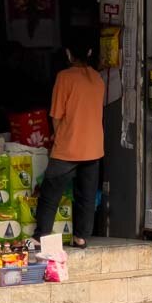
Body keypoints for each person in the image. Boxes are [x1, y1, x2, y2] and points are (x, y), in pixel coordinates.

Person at [33, 34, 105, 249]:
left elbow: (56, 115)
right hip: (93, 147)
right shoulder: (98, 78)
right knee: (86, 195)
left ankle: (40, 237)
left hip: (68, 147)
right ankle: (81, 237)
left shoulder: (64, 77)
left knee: (50, 193)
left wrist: (58, 137)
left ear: (68, 53)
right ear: (90, 53)